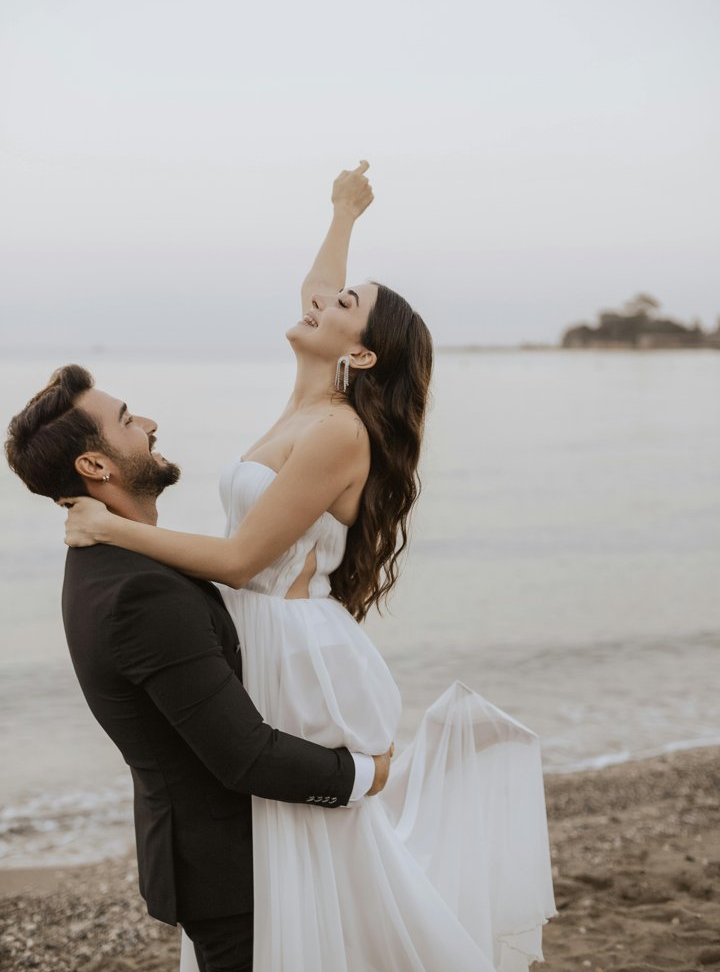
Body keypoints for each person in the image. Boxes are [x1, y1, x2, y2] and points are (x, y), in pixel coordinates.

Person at [62, 162, 556, 970]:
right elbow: (320, 285)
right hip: (264, 630)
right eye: (328, 295)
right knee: (289, 847)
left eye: (343, 306)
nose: (321, 302)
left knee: (300, 843)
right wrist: (342, 212)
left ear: (361, 356)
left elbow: (240, 557)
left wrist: (111, 531)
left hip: (292, 644)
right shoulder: (305, 401)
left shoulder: (336, 432)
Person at [4, 364, 392, 972]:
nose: (150, 425)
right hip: (228, 868)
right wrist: (364, 774)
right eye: (127, 420)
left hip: (222, 855)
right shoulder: (139, 593)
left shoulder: (114, 562)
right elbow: (244, 756)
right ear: (95, 466)